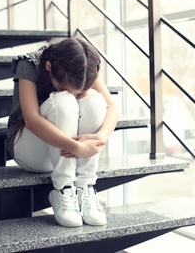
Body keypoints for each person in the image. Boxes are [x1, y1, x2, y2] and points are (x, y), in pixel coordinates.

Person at [7, 38, 119, 227]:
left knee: (94, 101)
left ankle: (85, 186)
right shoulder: (29, 64)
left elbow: (113, 107)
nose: (72, 93)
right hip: (30, 148)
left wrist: (100, 138)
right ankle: (64, 188)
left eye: (77, 91)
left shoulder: (84, 67)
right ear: (49, 67)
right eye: (62, 87)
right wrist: (77, 147)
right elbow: (32, 121)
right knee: (64, 101)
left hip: (67, 154)